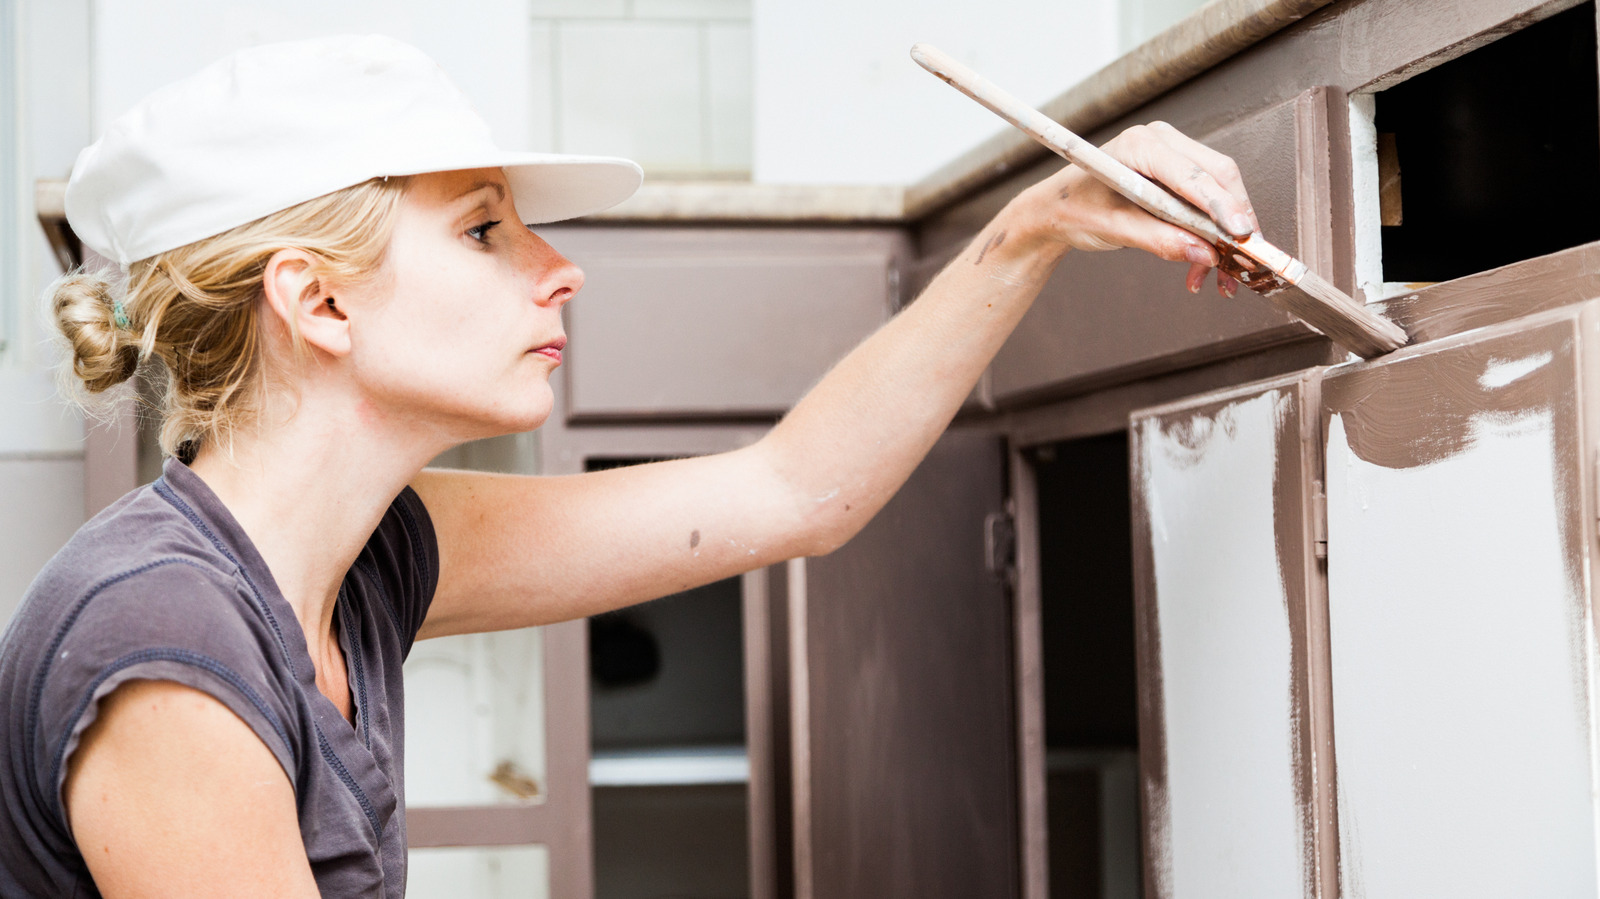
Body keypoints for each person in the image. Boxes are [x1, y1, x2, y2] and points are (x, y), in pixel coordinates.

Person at [0, 34, 1256, 898]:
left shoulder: (367, 555)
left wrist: (1036, 226)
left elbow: (792, 492)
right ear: (317, 303)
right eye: (484, 226)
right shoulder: (165, 644)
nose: (557, 264)